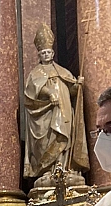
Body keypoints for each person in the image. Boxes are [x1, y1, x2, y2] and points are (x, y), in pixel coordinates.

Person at [24, 23, 89, 187]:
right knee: (50, 138)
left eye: (48, 52)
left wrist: (77, 86)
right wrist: (48, 92)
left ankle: (63, 167)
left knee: (64, 137)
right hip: (46, 115)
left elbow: (72, 92)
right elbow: (31, 92)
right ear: (39, 55)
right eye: (43, 53)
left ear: (52, 53)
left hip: (64, 110)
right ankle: (48, 169)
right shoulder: (35, 73)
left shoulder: (62, 71)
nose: (46, 55)